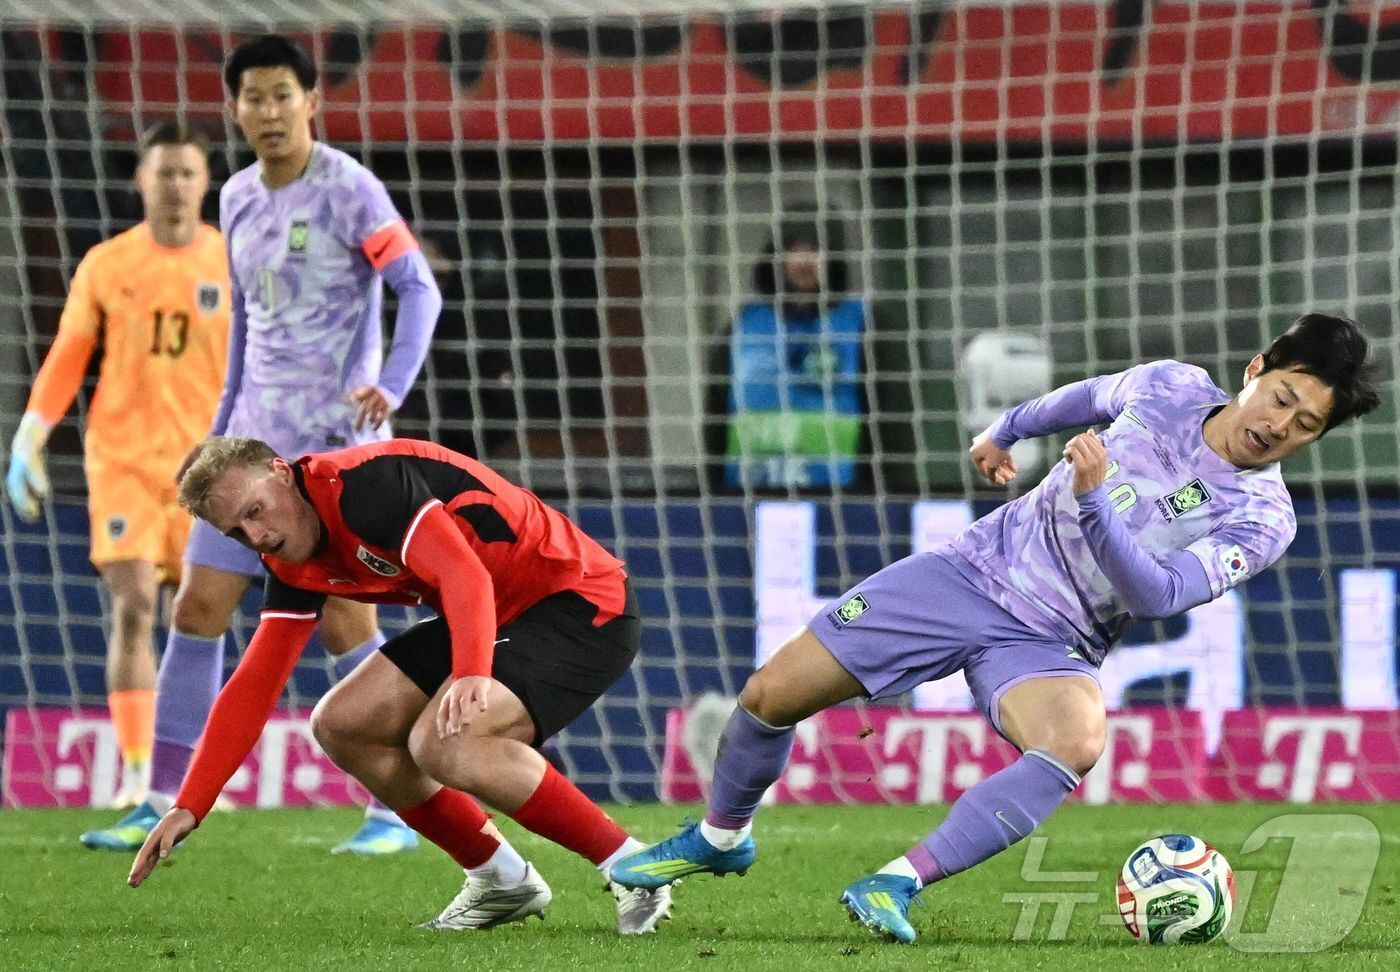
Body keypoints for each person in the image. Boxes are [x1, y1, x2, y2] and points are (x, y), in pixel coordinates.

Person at [612, 313, 1381, 943]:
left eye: (1305, 424)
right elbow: (1079, 400)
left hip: (1056, 640)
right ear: (1255, 370)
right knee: (771, 693)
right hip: (968, 573)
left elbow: (1155, 595)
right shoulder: (1172, 387)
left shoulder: (1262, 518)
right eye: (1281, 397)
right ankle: (720, 836)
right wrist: (1005, 430)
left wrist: (1094, 501)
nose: (1279, 425)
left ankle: (895, 883)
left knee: (1078, 741)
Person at [81, 33, 440, 855]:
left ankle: (394, 811)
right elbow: (245, 321)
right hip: (249, 445)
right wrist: (218, 430)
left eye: (284, 94)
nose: (270, 110)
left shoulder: (350, 191)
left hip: (332, 450)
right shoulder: (237, 197)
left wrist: (392, 386)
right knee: (197, 608)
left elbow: (416, 287)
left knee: (348, 621)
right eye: (255, 96)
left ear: (311, 102)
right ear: (236, 108)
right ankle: (160, 795)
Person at [127, 436, 675, 935]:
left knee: (446, 742)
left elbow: (466, 576)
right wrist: (190, 804)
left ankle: (636, 868)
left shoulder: (364, 488)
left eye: (255, 512)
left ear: (281, 471)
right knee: (343, 724)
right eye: (237, 533)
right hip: (498, 612)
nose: (258, 536)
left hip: (578, 602)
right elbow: (255, 682)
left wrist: (471, 672)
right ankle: (501, 879)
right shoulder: (287, 556)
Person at [5, 120, 229, 809]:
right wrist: (29, 437)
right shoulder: (108, 262)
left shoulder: (233, 259)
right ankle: (137, 774)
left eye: (188, 173)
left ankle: (185, 769)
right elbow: (71, 351)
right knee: (134, 606)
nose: (175, 185)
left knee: (200, 617)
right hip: (124, 458)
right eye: (164, 172)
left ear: (205, 182)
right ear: (142, 180)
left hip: (207, 465)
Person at [724, 215, 865, 490]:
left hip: (841, 490)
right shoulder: (747, 323)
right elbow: (717, 406)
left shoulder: (860, 322)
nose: (804, 261)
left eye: (814, 250)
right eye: (793, 251)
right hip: (751, 485)